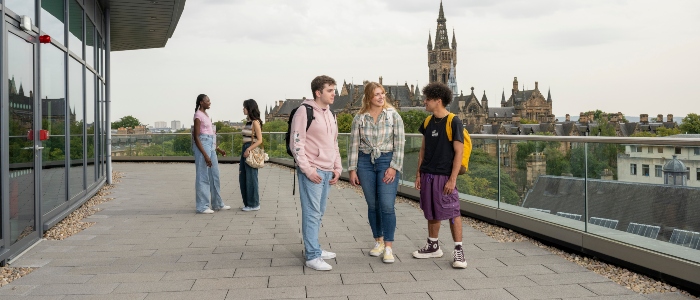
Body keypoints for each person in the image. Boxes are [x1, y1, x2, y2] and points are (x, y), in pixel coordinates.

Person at [348, 82, 405, 264]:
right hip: (365, 162)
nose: (381, 97)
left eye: (382, 94)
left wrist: (394, 166)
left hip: (386, 161)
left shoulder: (393, 116)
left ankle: (388, 247)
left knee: (387, 205)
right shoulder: (359, 118)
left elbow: (400, 143)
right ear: (368, 98)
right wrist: (352, 169)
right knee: (372, 205)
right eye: (376, 95)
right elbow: (353, 145)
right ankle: (378, 241)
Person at [289, 75, 342, 271]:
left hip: (328, 170)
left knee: (318, 212)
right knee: (312, 213)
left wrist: (338, 168)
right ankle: (312, 256)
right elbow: (296, 143)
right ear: (318, 92)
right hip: (313, 170)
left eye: (334, 90)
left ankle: (316, 249)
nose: (334, 93)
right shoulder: (304, 111)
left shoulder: (331, 113)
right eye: (330, 90)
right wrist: (308, 170)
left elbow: (334, 143)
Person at [413, 82, 467, 268]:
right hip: (428, 173)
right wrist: (418, 173)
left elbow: (459, 152)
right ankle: (433, 245)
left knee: (453, 212)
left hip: (444, 176)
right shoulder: (428, 121)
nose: (424, 102)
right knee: (431, 210)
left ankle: (458, 251)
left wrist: (453, 179)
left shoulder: (454, 121)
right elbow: (423, 149)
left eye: (427, 99)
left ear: (438, 100)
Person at [192, 94, 230, 214]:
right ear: (201, 102)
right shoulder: (198, 115)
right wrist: (205, 155)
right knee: (203, 175)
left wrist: (218, 149)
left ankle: (217, 203)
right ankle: (202, 206)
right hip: (202, 144)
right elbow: (196, 137)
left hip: (210, 144)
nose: (210, 102)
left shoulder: (206, 115)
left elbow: (210, 134)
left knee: (215, 175)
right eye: (207, 101)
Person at [240, 99, 264, 211]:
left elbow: (259, 140)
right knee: (244, 177)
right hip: (245, 149)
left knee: (251, 177)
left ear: (249, 108)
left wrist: (248, 149)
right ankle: (248, 203)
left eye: (244, 107)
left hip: (250, 148)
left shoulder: (255, 122)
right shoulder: (248, 122)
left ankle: (254, 204)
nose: (243, 109)